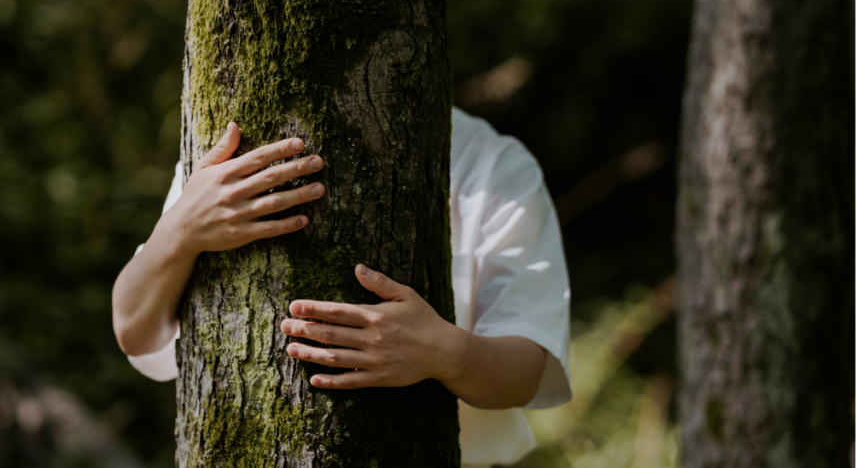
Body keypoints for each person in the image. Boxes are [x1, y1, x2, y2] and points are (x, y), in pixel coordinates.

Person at [112, 107, 572, 466]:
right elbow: (135, 332)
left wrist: (445, 353)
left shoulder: (494, 164)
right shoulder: (231, 141)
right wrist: (177, 232)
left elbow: (527, 370)